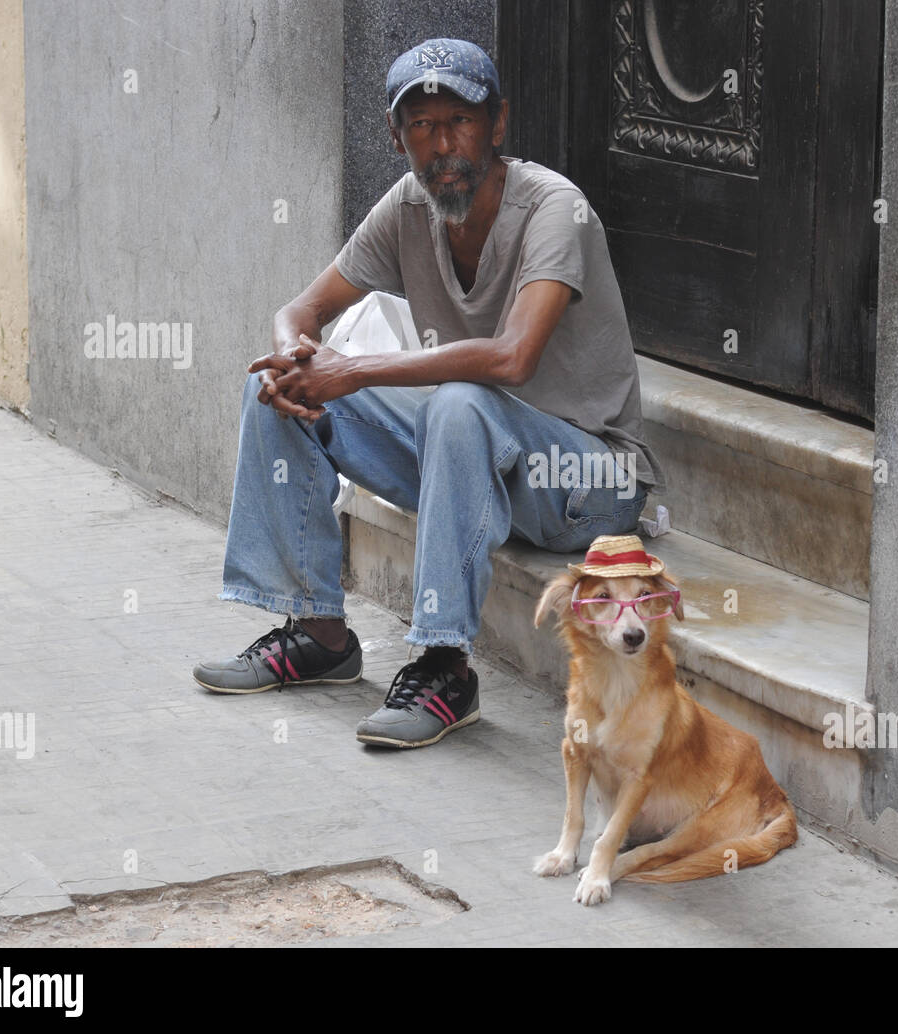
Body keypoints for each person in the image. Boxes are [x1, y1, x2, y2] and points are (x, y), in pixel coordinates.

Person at [193, 38, 666, 749]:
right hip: (475, 454)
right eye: (422, 126)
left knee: (458, 399)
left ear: (497, 125)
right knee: (273, 380)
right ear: (396, 136)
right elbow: (302, 309)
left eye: (461, 122)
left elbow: (510, 358)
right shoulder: (410, 206)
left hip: (587, 477)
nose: (443, 145)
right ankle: (319, 633)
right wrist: (297, 350)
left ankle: (446, 667)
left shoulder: (553, 208)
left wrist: (353, 370)